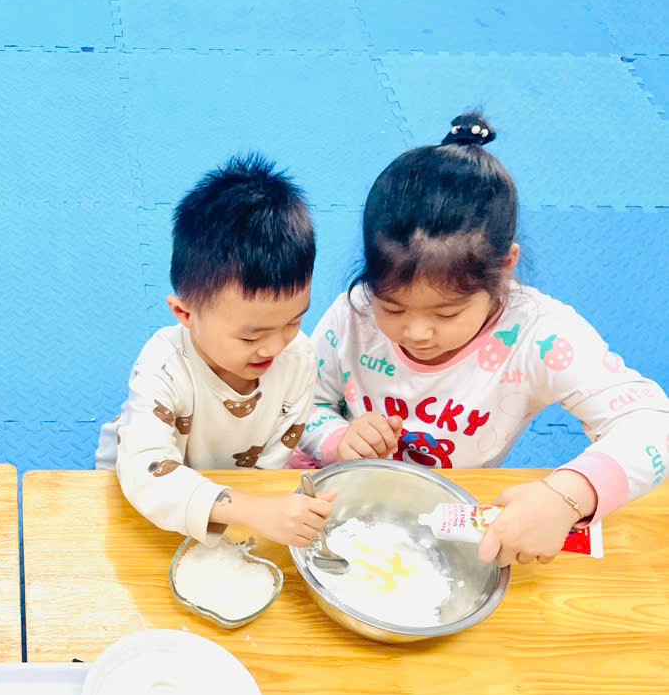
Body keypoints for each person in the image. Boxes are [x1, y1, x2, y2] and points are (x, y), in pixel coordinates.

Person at [302, 113, 669, 566]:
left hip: (452, 512)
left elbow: (653, 424)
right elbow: (300, 405)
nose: (416, 333)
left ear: (505, 267)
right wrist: (338, 439)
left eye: (447, 313)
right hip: (347, 499)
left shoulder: (538, 336)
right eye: (393, 307)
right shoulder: (355, 313)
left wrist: (567, 496)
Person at [96, 154, 334, 546]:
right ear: (185, 313)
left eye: (294, 321)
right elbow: (145, 472)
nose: (277, 345)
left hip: (235, 503)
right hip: (140, 494)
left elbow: (270, 466)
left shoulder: (298, 357)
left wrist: (261, 510)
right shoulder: (163, 366)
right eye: (251, 337)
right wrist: (250, 510)